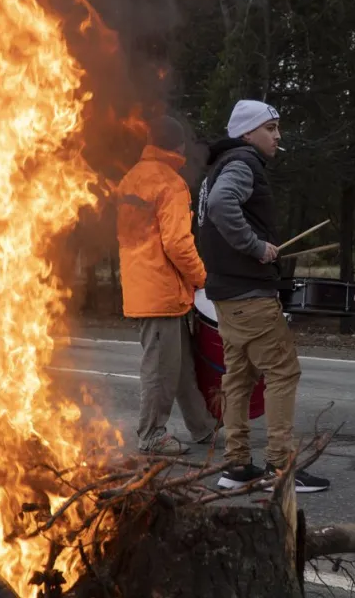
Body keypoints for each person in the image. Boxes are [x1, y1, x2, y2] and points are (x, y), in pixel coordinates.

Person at [196, 99, 330, 493]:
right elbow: (223, 206)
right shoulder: (242, 162)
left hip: (225, 291)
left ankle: (236, 465)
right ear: (248, 132)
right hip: (248, 291)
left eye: (277, 128)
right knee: (283, 371)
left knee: (238, 377)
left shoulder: (217, 168)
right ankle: (279, 466)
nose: (277, 136)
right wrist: (256, 247)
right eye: (270, 128)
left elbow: (213, 211)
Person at [115, 115, 219, 456]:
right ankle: (150, 434)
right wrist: (202, 279)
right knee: (161, 367)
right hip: (161, 290)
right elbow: (177, 243)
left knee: (180, 364)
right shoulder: (170, 183)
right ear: (179, 146)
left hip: (144, 286)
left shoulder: (132, 179)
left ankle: (202, 427)